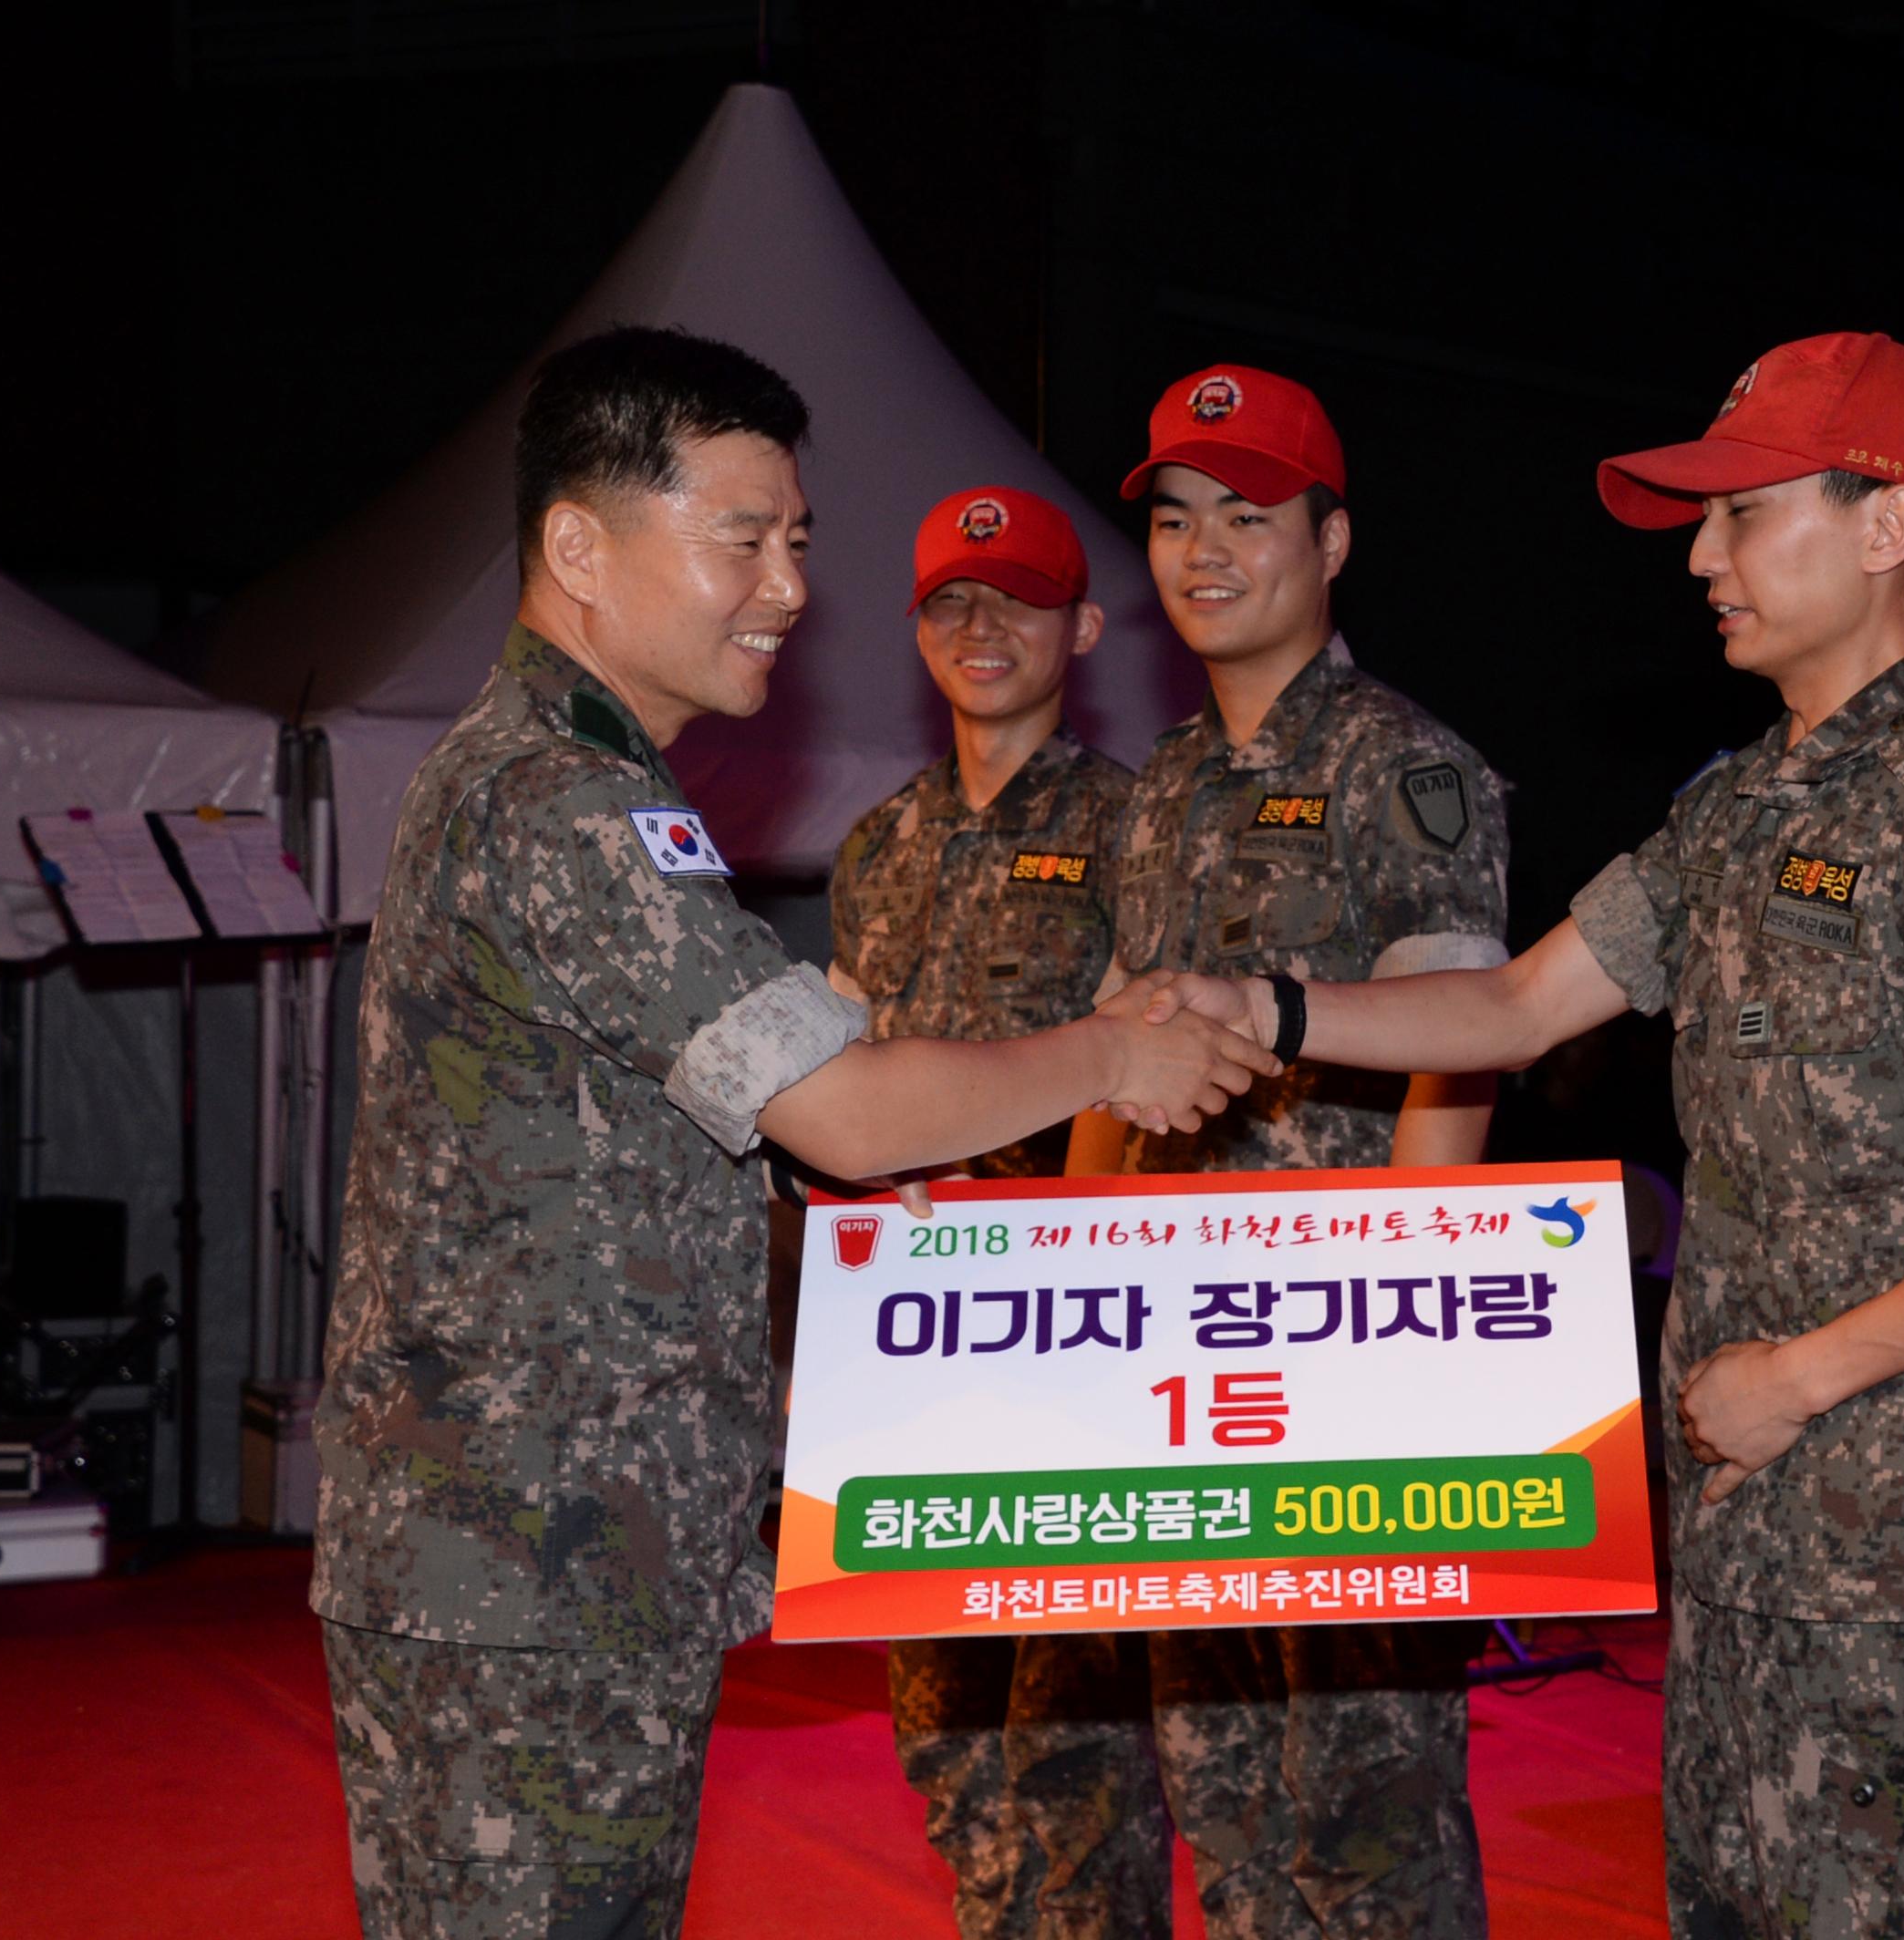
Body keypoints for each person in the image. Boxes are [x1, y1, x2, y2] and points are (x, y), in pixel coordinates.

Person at [309, 326, 1277, 1940]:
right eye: (742, 539)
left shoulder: (591, 791)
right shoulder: (565, 803)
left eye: (802, 542)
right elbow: (841, 1113)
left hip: (565, 1559)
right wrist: (1116, 1046)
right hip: (524, 1572)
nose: (786, 586)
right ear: (579, 546)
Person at [1149, 332, 1904, 1935]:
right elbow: (1510, 1010)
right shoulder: (1736, 809)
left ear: (1888, 523)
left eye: (1741, 515)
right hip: (1734, 1506)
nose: (1701, 560)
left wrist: (1806, 1376)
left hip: (1899, 1535)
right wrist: (1267, 1010)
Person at [1054, 362, 1506, 1939]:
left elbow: (1468, 1043)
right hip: (1188, 1368)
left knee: (1368, 1815)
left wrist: (1414, 1341)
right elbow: (1120, 1066)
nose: (1203, 550)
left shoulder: (1411, 771)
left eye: (1248, 516)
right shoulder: (1160, 788)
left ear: (1333, 541)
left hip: (1341, 1365)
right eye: (1176, 518)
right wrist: (1073, 1286)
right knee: (1227, 1794)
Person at [826, 484, 1170, 1938]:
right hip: (911, 1348)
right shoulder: (878, 846)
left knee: (1079, 1744)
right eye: (952, 602)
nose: (982, 627)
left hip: (1066, 1340)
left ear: (1081, 629)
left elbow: (1148, 1074)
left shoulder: (1136, 826)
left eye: (1017, 600)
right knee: (947, 1733)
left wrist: (1065, 1288)